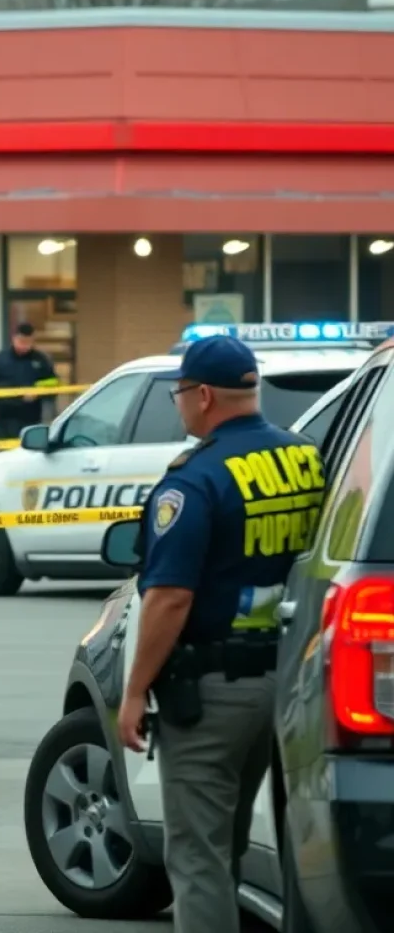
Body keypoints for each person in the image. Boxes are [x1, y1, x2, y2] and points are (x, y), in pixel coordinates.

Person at [116, 335, 326, 933]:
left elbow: (170, 598)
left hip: (211, 695)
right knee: (245, 847)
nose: (179, 406)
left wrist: (134, 693)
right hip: (291, 683)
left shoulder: (194, 480)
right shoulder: (306, 458)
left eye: (180, 394)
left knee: (198, 857)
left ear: (203, 395)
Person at [0, 323, 59, 441]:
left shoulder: (41, 360)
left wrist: (37, 392)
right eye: (22, 341)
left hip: (29, 417)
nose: (25, 346)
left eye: (29, 342)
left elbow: (53, 385)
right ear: (14, 339)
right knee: (1, 455)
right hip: (1, 418)